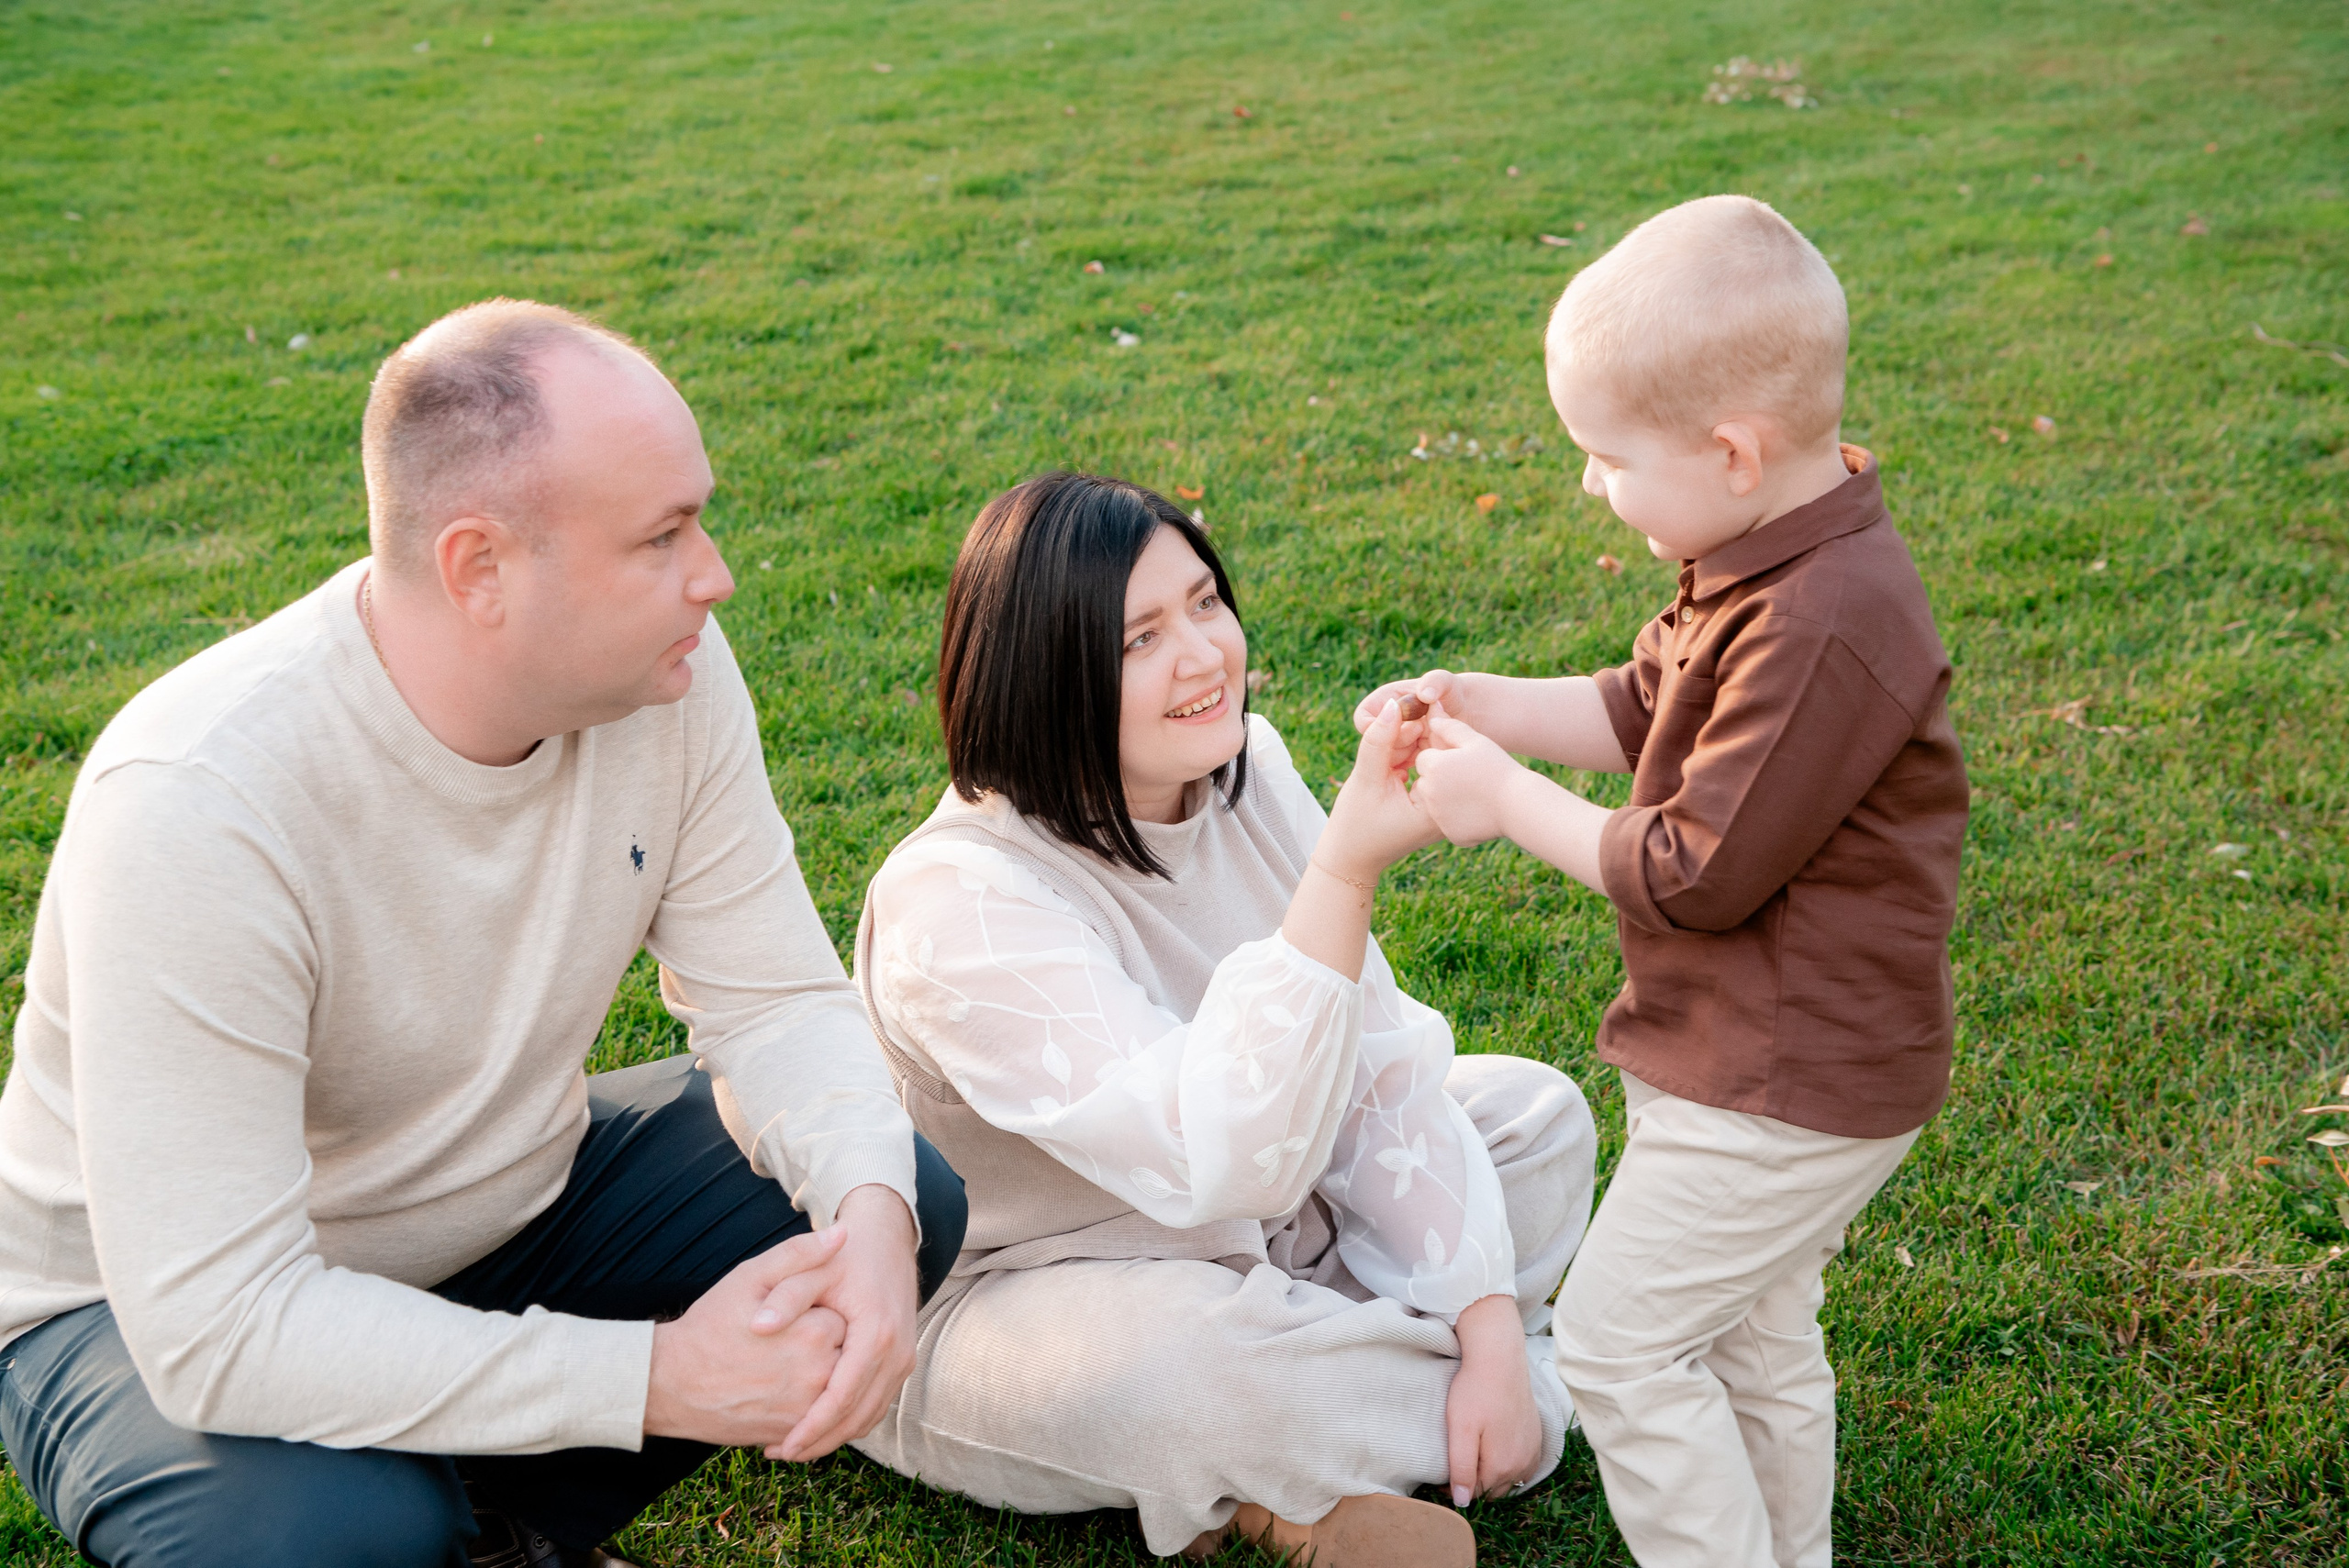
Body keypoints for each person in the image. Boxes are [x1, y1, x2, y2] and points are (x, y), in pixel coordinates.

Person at [0, 299, 966, 1568]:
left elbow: (776, 998)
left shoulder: (665, 672)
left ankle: (507, 1537)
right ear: (480, 569)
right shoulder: (201, 803)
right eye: (662, 536)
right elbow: (219, 1324)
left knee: (889, 1186)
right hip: (137, 1315)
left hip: (494, 1209)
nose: (714, 573)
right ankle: (428, 1526)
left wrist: (875, 1216)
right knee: (324, 1535)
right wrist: (661, 1379)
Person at [1367, 195, 1969, 1568]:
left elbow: (1692, 872)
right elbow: (1647, 706)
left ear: (1733, 452)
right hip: (1757, 1058)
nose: (1593, 485)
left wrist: (1502, 804)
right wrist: (1485, 703)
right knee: (1753, 1331)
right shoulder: (1764, 551)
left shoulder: (1824, 619)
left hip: (1783, 1081)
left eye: (1607, 458)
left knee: (1625, 1343)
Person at [849, 473, 1598, 1568]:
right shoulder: (957, 902)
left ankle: (1331, 1446)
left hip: (1258, 1230)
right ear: (1045, 673)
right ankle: (1352, 1443)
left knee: (1536, 1114)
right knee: (1202, 1378)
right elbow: (1219, 1155)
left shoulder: (1247, 768)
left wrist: (1486, 1332)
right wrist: (1342, 872)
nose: (1203, 655)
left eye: (1205, 602)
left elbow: (1376, 1068)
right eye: (1137, 638)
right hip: (1021, 1291)